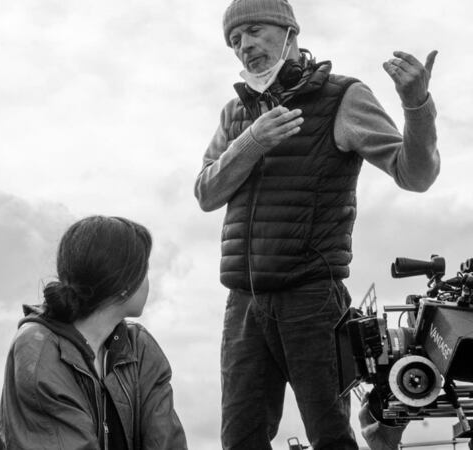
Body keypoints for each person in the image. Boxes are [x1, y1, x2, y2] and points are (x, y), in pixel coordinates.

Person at [193, 0, 440, 448]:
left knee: (330, 437)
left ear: (289, 31)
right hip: (243, 304)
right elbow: (206, 193)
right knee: (239, 441)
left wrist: (416, 105)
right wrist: (251, 142)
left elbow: (416, 175)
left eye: (253, 31)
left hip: (311, 299)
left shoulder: (344, 97)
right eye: (234, 40)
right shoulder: (235, 114)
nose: (244, 46)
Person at [0, 215, 187, 449]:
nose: (148, 281)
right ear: (124, 286)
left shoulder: (140, 348)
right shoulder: (38, 349)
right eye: (143, 271)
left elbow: (166, 443)